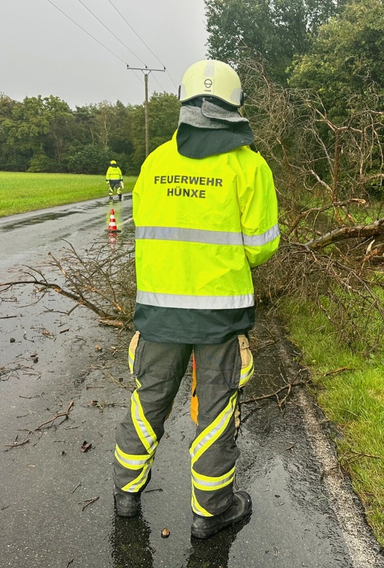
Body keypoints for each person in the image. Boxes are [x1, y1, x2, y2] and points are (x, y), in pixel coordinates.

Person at [112, 59, 280, 539]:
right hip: (219, 317)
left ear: (184, 104)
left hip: (160, 312)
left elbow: (143, 230)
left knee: (148, 403)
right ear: (236, 107)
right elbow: (263, 246)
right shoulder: (249, 166)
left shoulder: (157, 161)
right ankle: (211, 513)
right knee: (216, 412)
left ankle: (127, 494)